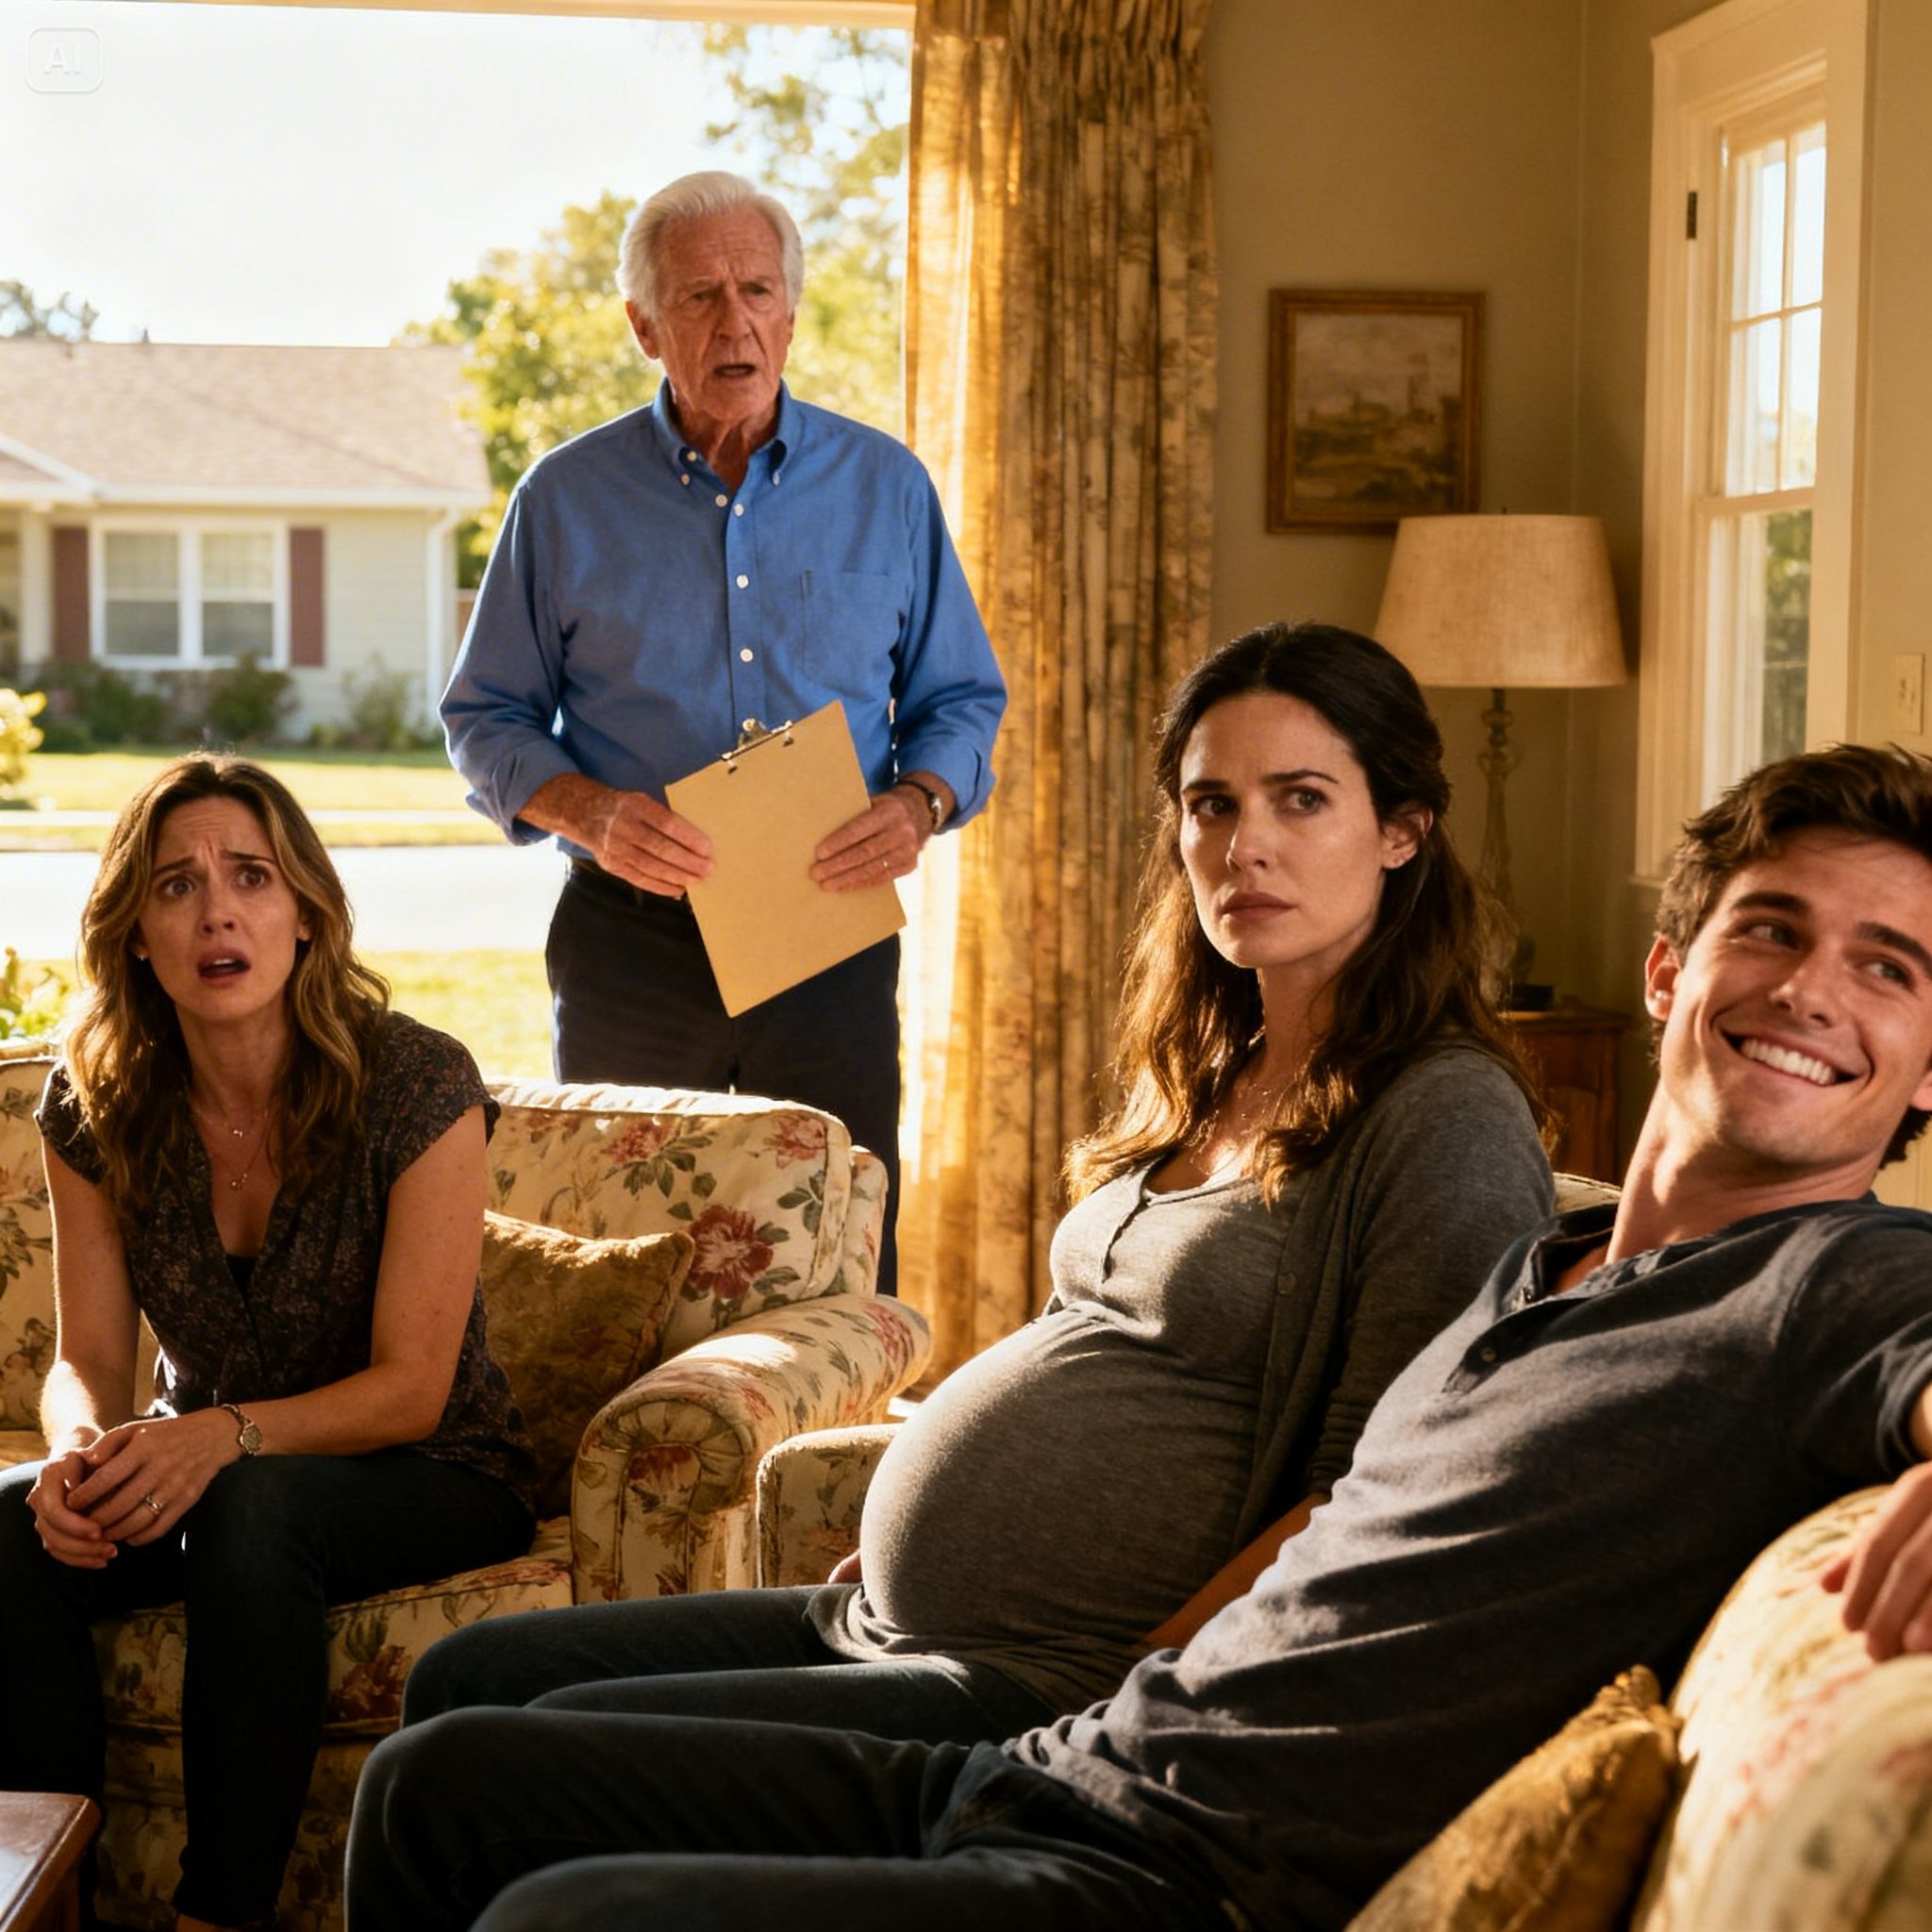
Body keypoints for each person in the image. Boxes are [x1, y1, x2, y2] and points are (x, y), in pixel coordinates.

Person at [347, 737, 1932, 1932]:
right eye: (1770, 929)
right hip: (1060, 1757)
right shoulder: (1551, 1258)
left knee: (565, 1921)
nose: (1807, 990)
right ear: (1667, 970)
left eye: (1888, 968)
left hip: (1174, 1881)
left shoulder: (1830, 1284)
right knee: (442, 1781)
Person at [351, 617, 1548, 1834]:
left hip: (1059, 1680)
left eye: (1302, 799)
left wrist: (1156, 1672)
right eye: (1210, 803)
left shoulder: (1440, 1115)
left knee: (468, 1774)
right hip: (885, 1618)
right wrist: (909, 1538)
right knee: (469, 1676)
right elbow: (1096, 1352)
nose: (1244, 844)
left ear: (1401, 830)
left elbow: (1382, 1490)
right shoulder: (1219, 1067)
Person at [440, 169, 1008, 1297]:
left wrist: (918, 801)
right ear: (643, 326)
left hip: (826, 928)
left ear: (791, 311)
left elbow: (960, 700)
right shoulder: (562, 497)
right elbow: (483, 716)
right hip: (631, 940)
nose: (733, 319)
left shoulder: (886, 487)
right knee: (619, 1249)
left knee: (837, 1237)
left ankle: (832, 1464)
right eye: (698, 296)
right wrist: (589, 810)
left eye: (756, 289)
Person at [0, 756, 537, 1932]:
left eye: (251, 876)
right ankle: (53, 1899)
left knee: (252, 1510)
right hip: (220, 1456)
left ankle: (221, 1916)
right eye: (176, 885)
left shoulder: (416, 1078)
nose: (218, 911)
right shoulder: (95, 1099)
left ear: (306, 912)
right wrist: (79, 1449)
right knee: (9, 1522)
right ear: (135, 930)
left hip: (434, 1467)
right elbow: (85, 1352)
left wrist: (219, 1439)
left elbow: (411, 1386)